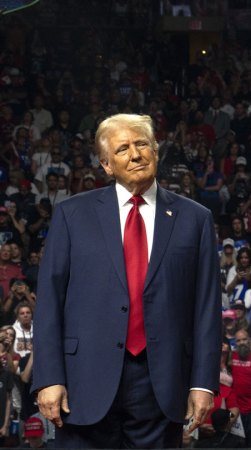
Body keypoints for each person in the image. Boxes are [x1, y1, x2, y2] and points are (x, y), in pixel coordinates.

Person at [32, 114, 221, 448]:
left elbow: (207, 308)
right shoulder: (72, 214)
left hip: (161, 383)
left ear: (156, 151)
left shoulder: (196, 219)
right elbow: (49, 300)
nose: (135, 154)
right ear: (107, 164)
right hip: (83, 381)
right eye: (123, 149)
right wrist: (48, 377)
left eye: (142, 144)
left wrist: (203, 383)